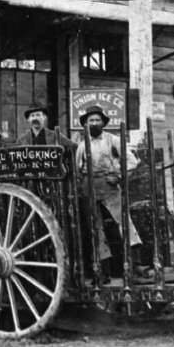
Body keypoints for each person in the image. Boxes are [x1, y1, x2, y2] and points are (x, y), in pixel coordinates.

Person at [75, 105, 143, 281]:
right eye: (91, 121)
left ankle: (134, 268)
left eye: (97, 120)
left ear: (103, 123)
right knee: (95, 228)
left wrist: (119, 175)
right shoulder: (82, 146)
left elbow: (132, 161)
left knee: (124, 223)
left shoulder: (113, 140)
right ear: (86, 124)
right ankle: (102, 272)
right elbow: (77, 169)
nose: (94, 123)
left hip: (109, 186)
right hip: (89, 187)